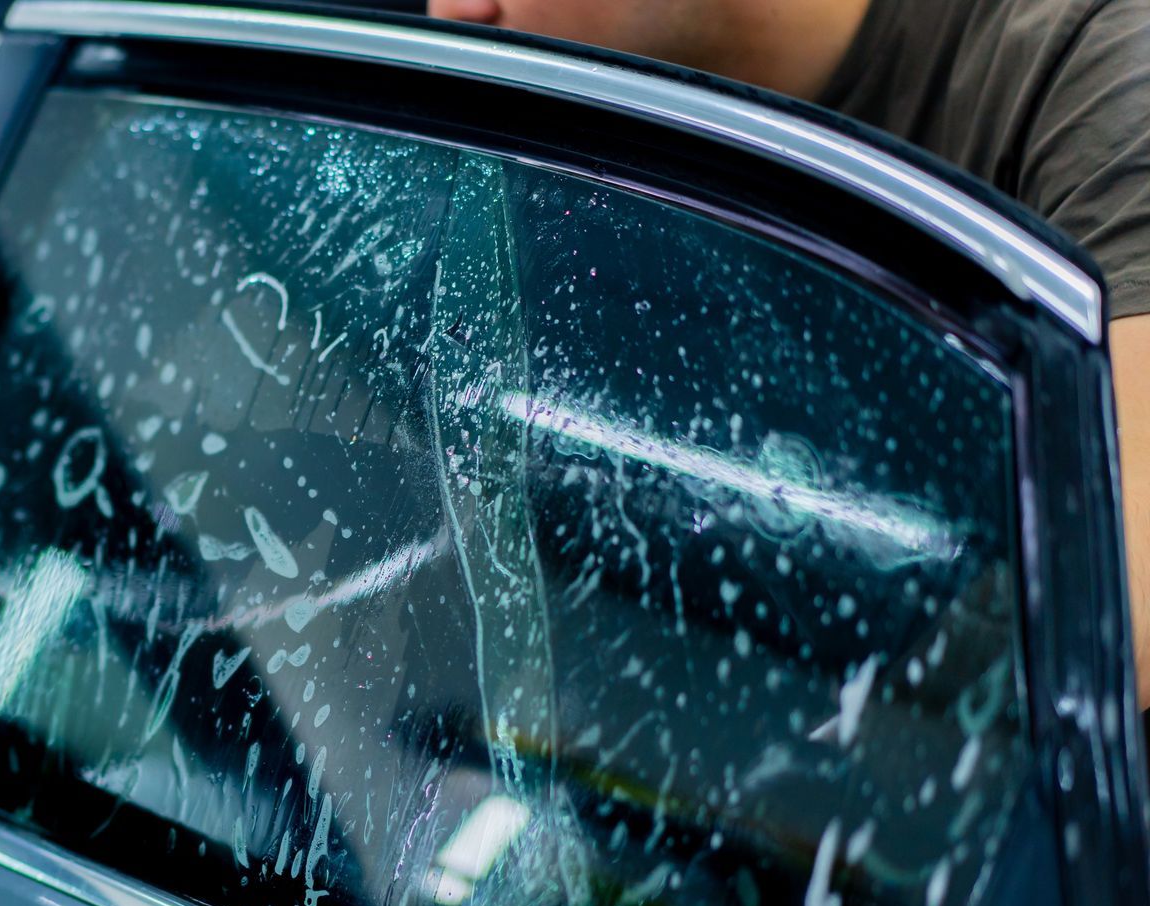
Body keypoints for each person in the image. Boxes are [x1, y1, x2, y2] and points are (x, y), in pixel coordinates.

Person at [428, 0, 1150, 702]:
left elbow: (1118, 601)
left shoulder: (1089, 66)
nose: (451, 11)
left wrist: (812, 762)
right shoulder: (546, 174)